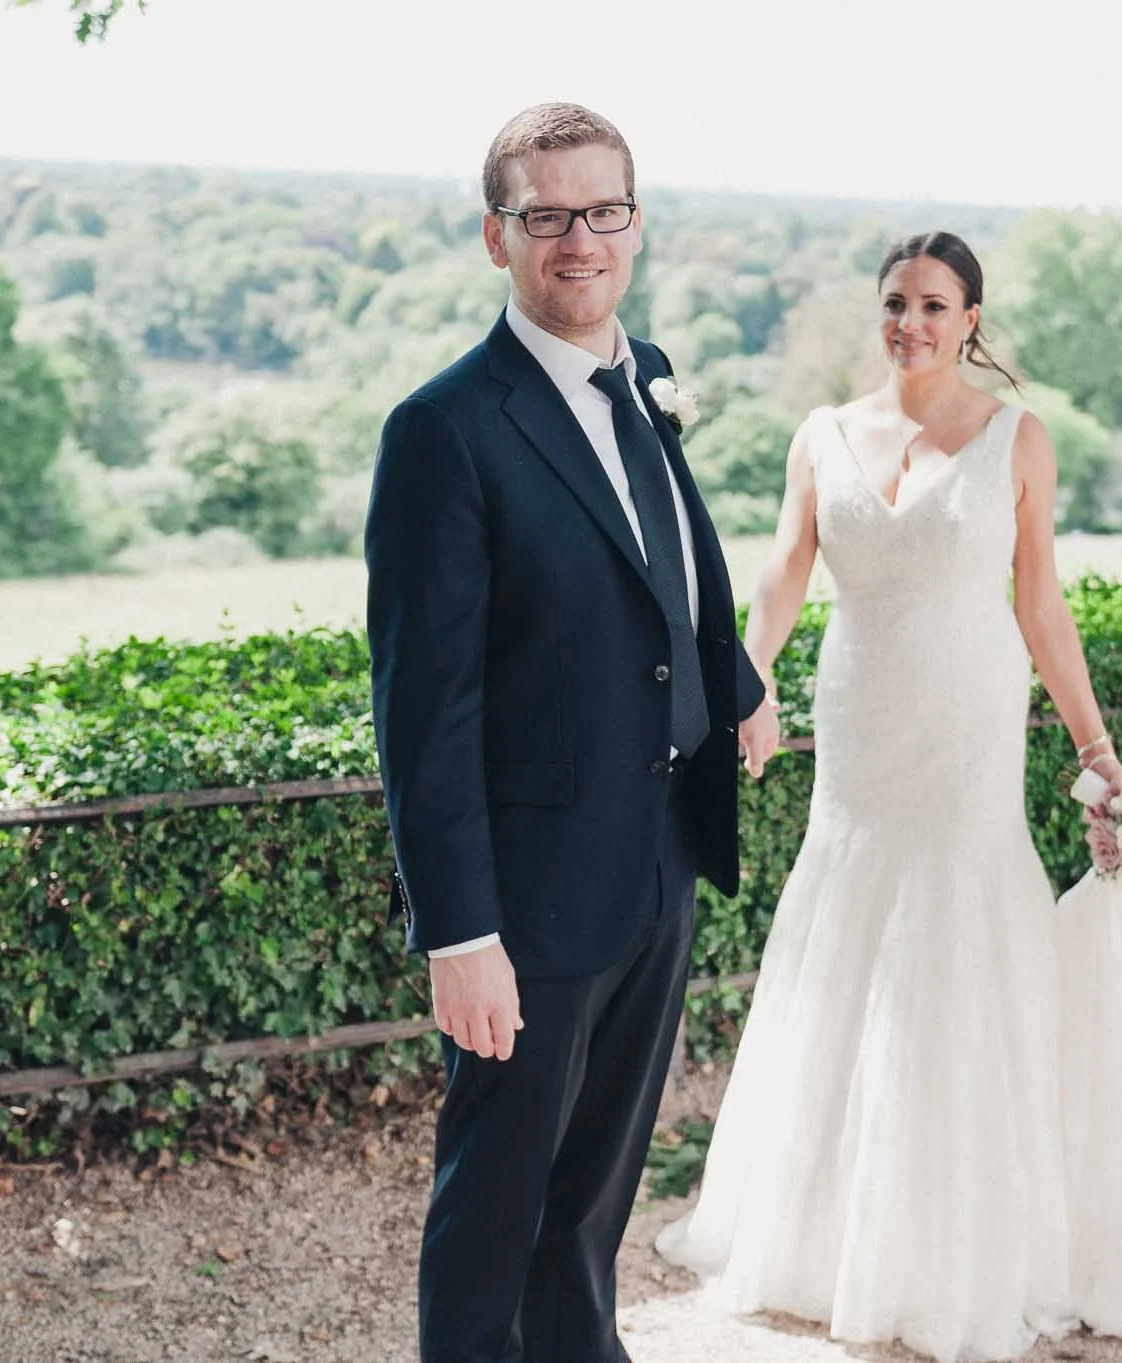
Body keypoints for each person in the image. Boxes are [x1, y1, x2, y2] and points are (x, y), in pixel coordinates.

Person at [654, 231, 1122, 1361]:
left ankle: (971, 1240)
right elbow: (784, 568)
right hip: (859, 729)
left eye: (933, 305)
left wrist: (1098, 748)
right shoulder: (822, 433)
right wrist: (750, 680)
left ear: (970, 316)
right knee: (848, 924)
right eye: (893, 303)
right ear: (874, 312)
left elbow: (1040, 601)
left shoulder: (1017, 440)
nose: (909, 324)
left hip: (968, 726)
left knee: (962, 936)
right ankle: (830, 1233)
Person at [364, 101, 777, 1363]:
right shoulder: (444, 431)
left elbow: (673, 555)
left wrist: (731, 678)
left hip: (655, 857)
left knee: (593, 1197)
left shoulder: (640, 373)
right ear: (498, 237)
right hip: (527, 896)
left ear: (635, 225)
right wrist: (460, 933)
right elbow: (421, 712)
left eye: (603, 212)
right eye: (546, 216)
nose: (578, 240)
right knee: (495, 1204)